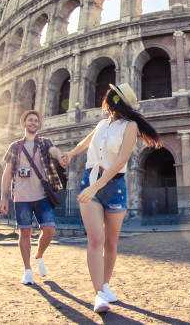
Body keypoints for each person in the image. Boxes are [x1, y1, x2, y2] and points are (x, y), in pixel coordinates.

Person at [61, 83, 162, 313]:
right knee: (95, 239)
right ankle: (98, 294)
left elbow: (120, 161)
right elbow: (86, 142)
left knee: (111, 242)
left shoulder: (131, 126)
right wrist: (70, 153)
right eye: (111, 94)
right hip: (91, 180)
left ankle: (105, 285)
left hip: (114, 184)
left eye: (113, 95)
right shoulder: (101, 124)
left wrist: (97, 186)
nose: (109, 97)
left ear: (118, 101)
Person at [0, 110, 66, 285]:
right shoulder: (15, 146)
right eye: (30, 120)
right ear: (24, 123)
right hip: (21, 196)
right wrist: (3, 197)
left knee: (49, 230)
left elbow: (54, 151)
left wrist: (61, 158)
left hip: (42, 195)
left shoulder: (45, 142)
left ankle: (39, 256)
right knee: (25, 232)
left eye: (36, 120)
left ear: (38, 124)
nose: (33, 122)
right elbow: (7, 173)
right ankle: (27, 270)